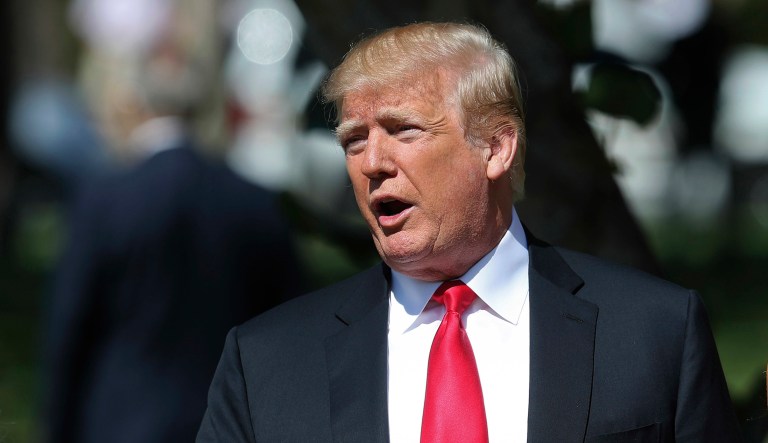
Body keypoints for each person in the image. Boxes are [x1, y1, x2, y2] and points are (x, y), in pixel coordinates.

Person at [197, 22, 741, 442]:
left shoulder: (654, 333)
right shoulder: (267, 363)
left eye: (403, 129)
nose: (373, 162)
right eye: (354, 140)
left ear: (496, 147)